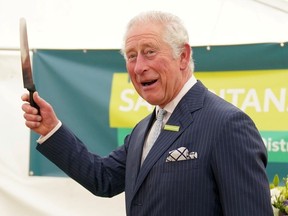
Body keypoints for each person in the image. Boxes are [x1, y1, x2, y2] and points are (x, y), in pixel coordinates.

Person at [21, 11, 273, 216]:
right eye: (131, 56)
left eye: (150, 52)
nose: (140, 67)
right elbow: (103, 178)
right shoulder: (144, 129)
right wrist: (50, 129)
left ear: (183, 56)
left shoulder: (227, 125)